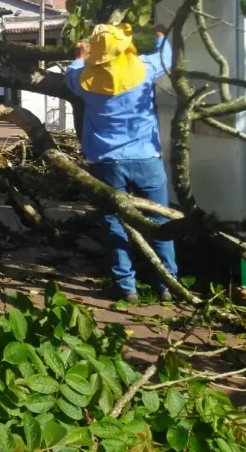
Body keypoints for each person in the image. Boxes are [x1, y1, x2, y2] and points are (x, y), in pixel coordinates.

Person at [65, 23, 177, 305]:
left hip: (106, 162)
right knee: (160, 222)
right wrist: (161, 36)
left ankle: (126, 287)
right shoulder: (144, 68)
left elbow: (72, 70)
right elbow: (168, 57)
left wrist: (80, 54)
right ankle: (167, 284)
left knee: (114, 223)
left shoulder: (83, 78)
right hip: (146, 159)